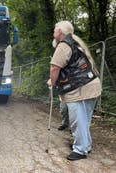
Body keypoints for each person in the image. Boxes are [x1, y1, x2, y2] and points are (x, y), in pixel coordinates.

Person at [47, 21, 101, 161]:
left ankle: (80, 150)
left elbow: (54, 67)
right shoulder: (76, 43)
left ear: (60, 31)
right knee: (85, 119)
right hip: (91, 84)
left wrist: (52, 82)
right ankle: (85, 145)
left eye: (55, 29)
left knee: (78, 120)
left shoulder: (64, 45)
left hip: (79, 88)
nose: (53, 31)